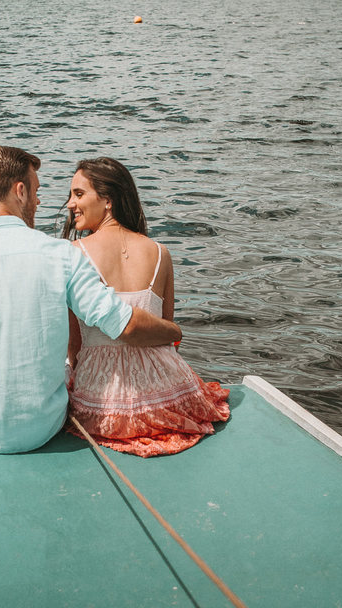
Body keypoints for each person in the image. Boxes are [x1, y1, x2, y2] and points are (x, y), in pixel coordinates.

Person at [0, 146, 181, 454]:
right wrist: (174, 331)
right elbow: (123, 323)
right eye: (37, 190)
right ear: (20, 191)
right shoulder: (61, 256)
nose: (40, 201)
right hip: (40, 427)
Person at [63, 157, 229, 457]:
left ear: (108, 200)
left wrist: (75, 378)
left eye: (78, 194)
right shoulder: (160, 253)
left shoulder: (73, 254)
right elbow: (167, 335)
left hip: (106, 404)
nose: (69, 204)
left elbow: (75, 344)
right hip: (169, 393)